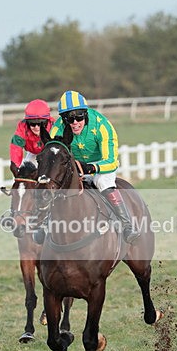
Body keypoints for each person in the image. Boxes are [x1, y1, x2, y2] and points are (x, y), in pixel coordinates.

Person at [48, 90, 140, 243]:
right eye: (69, 118)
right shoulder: (57, 130)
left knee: (101, 181)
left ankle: (127, 225)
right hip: (74, 167)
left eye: (79, 116)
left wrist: (91, 168)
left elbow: (111, 161)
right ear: (63, 119)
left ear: (85, 114)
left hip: (100, 166)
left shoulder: (102, 126)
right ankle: (44, 225)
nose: (75, 122)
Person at [9, 99, 54, 176]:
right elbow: (16, 147)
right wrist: (15, 165)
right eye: (32, 123)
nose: (36, 127)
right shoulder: (22, 127)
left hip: (51, 153)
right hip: (33, 154)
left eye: (41, 123)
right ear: (27, 122)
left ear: (47, 121)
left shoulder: (54, 127)